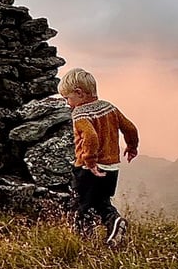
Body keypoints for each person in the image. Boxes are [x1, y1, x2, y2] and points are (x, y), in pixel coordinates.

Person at [58, 67, 139, 247]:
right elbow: (130, 128)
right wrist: (132, 146)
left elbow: (91, 136)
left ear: (79, 93)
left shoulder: (80, 114)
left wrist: (90, 161)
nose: (68, 103)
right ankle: (114, 222)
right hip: (112, 167)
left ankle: (82, 240)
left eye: (67, 98)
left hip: (88, 169)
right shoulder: (110, 108)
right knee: (102, 202)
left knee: (82, 204)